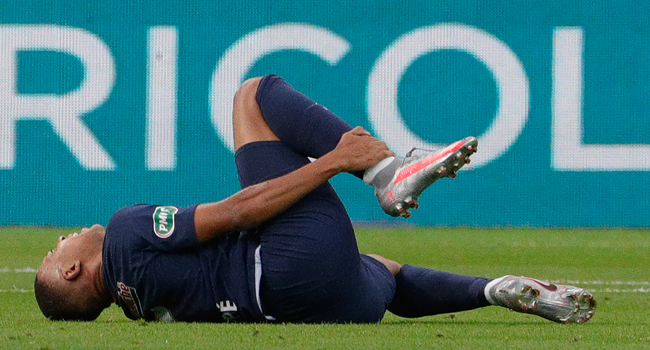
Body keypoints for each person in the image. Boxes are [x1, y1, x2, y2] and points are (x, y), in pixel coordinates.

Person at [35, 75, 596, 324]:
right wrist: (334, 161)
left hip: (314, 306)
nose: (61, 239)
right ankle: (386, 173)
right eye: (55, 252)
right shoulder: (126, 232)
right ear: (76, 271)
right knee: (255, 94)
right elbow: (236, 213)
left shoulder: (136, 308)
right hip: (287, 270)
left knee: (387, 271)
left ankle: (494, 291)